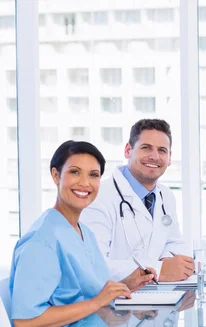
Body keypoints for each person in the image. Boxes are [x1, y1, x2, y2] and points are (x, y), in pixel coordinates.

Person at [9, 141, 156, 326]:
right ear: (56, 175)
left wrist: (126, 284)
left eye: (93, 175)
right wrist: (96, 303)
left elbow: (86, 293)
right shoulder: (41, 242)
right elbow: (25, 322)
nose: (85, 183)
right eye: (74, 172)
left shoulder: (83, 232)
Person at [80, 119, 193, 282]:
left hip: (158, 298)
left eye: (162, 150)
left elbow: (176, 244)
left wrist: (166, 261)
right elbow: (93, 264)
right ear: (128, 150)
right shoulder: (98, 197)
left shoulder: (166, 195)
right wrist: (159, 270)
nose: (154, 156)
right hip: (114, 301)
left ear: (169, 158)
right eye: (146, 148)